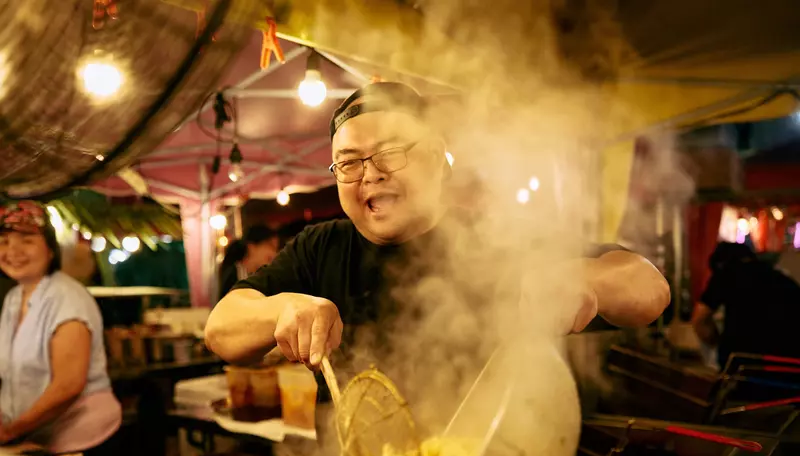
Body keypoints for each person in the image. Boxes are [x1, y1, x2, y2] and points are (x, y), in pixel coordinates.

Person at [205, 82, 669, 397]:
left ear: (437, 162)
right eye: (349, 162)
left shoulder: (493, 238)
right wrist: (279, 309)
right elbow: (220, 329)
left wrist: (580, 278)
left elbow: (649, 289)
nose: (370, 174)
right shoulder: (321, 247)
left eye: (390, 152)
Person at [0, 201, 122, 456]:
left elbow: (68, 385)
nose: (13, 251)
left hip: (83, 442)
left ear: (50, 248)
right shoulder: (13, 298)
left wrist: (11, 431)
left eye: (26, 239)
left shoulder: (66, 297)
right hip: (37, 438)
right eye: (4, 241)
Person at [692, 241, 800, 370]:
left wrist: (716, 343)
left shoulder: (727, 274)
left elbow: (700, 320)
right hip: (788, 367)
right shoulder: (783, 279)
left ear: (720, 264)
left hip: (742, 364)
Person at [218, 225, 280, 300]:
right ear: (252, 247)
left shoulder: (263, 278)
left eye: (276, 249)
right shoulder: (234, 274)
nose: (274, 253)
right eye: (270, 246)